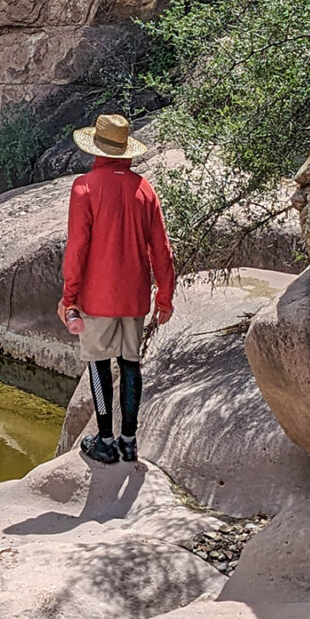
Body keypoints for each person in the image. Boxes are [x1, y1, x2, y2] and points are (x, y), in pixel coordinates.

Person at [55, 112, 176, 465]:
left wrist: (69, 297)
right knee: (130, 365)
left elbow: (78, 247)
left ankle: (105, 439)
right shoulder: (144, 189)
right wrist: (164, 295)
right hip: (135, 297)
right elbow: (162, 248)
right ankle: (129, 441)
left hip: (97, 297)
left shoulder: (85, 187)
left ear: (96, 147)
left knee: (98, 364)